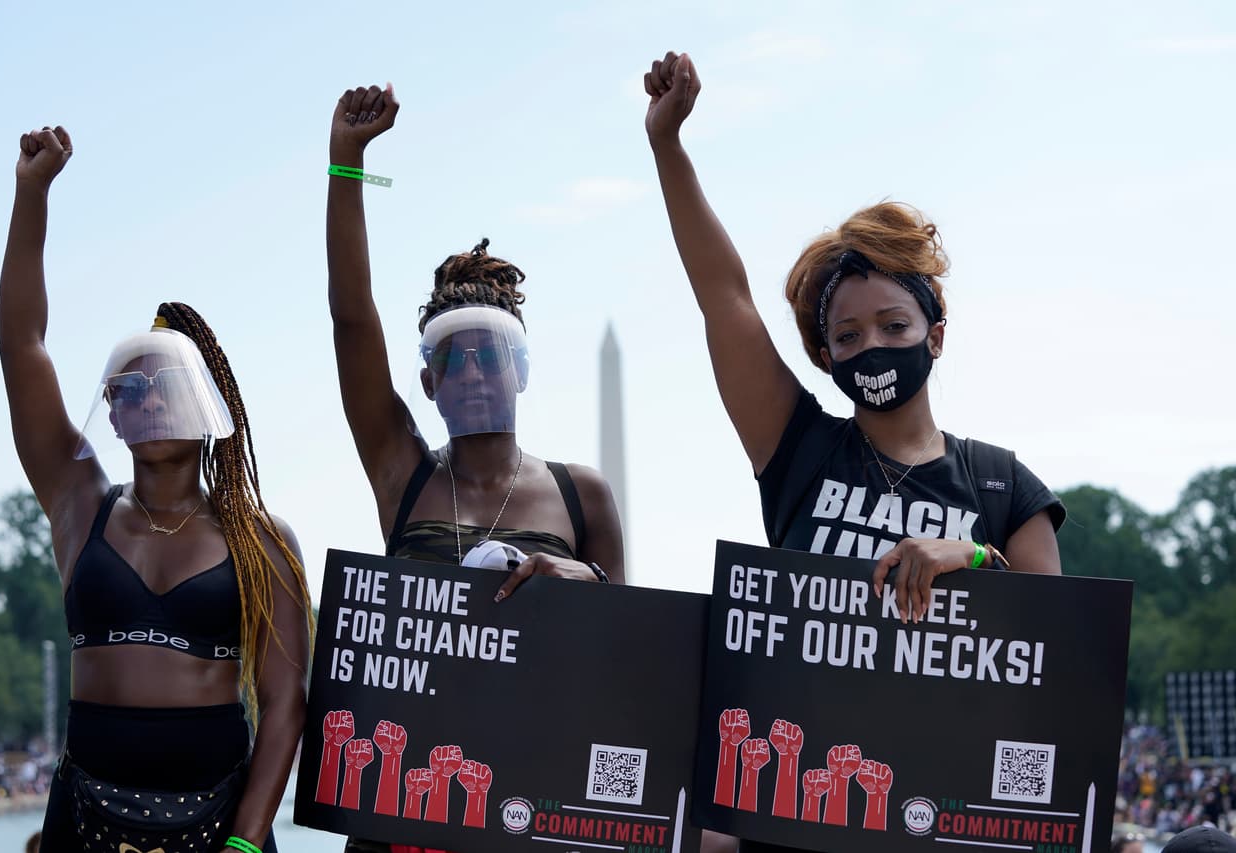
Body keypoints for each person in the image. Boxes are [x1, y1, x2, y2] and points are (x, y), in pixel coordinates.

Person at [643, 51, 1064, 629]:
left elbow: (1054, 653)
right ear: (825, 356)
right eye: (847, 334)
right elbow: (725, 297)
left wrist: (971, 555)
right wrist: (667, 145)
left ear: (934, 337)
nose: (873, 346)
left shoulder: (1004, 485)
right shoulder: (797, 449)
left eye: (894, 326)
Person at [325, 84, 625, 853]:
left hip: (532, 797)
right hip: (405, 797)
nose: (475, 375)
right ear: (428, 382)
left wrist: (580, 582)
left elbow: (631, 652)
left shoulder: (580, 493)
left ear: (522, 370)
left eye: (493, 356)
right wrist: (347, 163)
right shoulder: (405, 473)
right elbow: (352, 317)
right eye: (453, 361)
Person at [0, 126, 312, 853]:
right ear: (112, 410)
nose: (151, 400)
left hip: (217, 828)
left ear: (208, 402)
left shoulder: (259, 537)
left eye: (168, 383)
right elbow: (22, 346)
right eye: (130, 388)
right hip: (83, 822)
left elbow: (285, 703)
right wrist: (31, 193)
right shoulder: (81, 502)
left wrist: (244, 841)